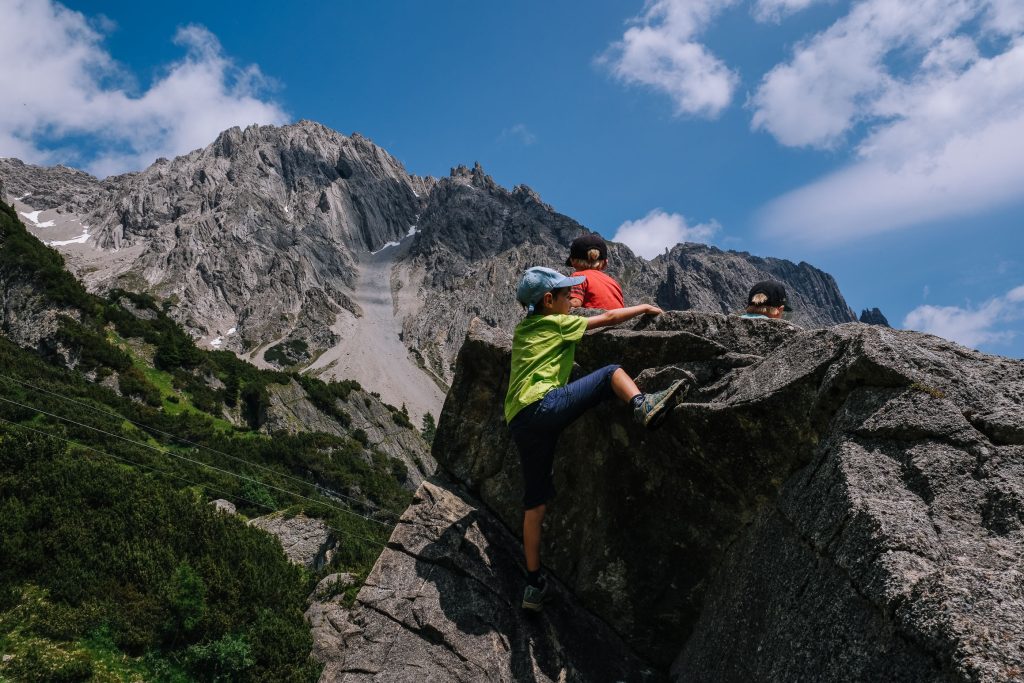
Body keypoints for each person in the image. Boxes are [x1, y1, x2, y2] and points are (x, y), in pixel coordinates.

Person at [506, 266, 692, 611]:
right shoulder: (555, 322)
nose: (573, 300)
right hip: (544, 404)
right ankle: (643, 404)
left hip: (519, 420)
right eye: (567, 295)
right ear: (549, 300)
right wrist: (644, 308)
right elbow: (607, 318)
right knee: (610, 373)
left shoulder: (524, 329)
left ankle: (533, 585)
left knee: (535, 505)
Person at [565, 233, 624, 310]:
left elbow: (575, 303)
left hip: (596, 319)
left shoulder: (578, 277)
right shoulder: (614, 283)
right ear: (605, 263)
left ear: (572, 261)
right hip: (620, 320)